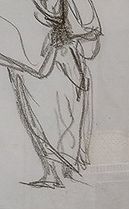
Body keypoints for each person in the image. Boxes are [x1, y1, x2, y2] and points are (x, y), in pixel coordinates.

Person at [0, 0, 102, 188]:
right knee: (37, 120)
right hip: (30, 69)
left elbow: (93, 30)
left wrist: (69, 36)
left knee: (63, 118)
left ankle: (63, 172)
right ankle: (51, 172)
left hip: (62, 62)